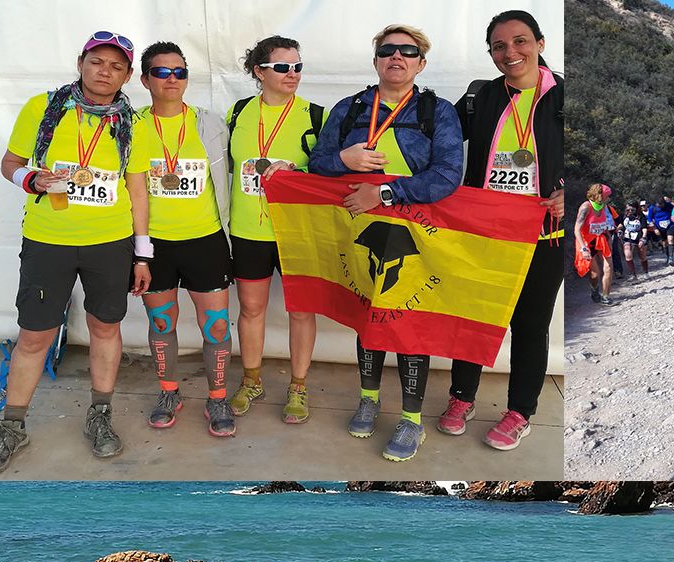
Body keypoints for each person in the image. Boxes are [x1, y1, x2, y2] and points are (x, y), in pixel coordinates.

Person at [0, 30, 151, 477]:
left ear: (128, 75)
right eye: (98, 62)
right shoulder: (43, 108)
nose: (105, 72)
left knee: (105, 327)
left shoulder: (133, 122)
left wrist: (143, 252)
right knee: (35, 335)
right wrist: (31, 180)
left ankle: (100, 414)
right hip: (47, 240)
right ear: (81, 63)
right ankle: (12, 425)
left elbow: (137, 188)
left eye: (117, 66)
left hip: (109, 243)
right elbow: (10, 162)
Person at [309, 24, 466, 463]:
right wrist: (343, 159)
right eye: (388, 50)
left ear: (421, 63)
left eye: (408, 51)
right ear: (376, 59)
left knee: (410, 322)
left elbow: (448, 174)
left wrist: (384, 192)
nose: (397, 57)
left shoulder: (439, 111)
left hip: (418, 234)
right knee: (368, 315)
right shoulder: (350, 107)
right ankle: (369, 398)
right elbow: (317, 164)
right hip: (358, 232)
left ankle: (412, 420)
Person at [439, 10, 565, 451]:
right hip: (485, 234)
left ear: (541, 44)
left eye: (521, 41)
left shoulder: (564, 95)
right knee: (473, 317)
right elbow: (436, 135)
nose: (510, 52)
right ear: (490, 53)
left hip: (542, 236)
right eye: (499, 46)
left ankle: (519, 411)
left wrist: (575, 190)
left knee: (530, 325)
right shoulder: (481, 98)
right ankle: (462, 397)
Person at [134, 42, 235, 438]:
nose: (172, 78)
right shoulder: (133, 125)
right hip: (154, 244)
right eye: (161, 72)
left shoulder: (211, 123)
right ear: (145, 80)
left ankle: (218, 396)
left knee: (216, 328)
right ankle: (168, 392)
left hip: (205, 240)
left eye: (179, 71)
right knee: (161, 323)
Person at [225, 36, 324, 425]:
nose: (293, 74)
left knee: (301, 311)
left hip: (297, 231)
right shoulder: (237, 112)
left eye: (298, 66)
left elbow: (330, 170)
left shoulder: (317, 115)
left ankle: (298, 386)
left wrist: (298, 172)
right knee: (251, 309)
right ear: (259, 71)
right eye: (283, 67)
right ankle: (252, 380)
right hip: (250, 229)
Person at [574, 184, 618, 305]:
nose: (608, 198)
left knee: (609, 267)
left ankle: (605, 297)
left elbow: (604, 224)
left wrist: (608, 237)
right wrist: (583, 248)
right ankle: (594, 290)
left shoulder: (603, 206)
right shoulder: (586, 207)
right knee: (595, 273)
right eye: (607, 195)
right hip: (586, 242)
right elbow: (577, 229)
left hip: (601, 239)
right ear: (600, 195)